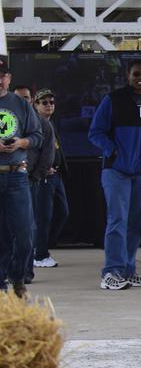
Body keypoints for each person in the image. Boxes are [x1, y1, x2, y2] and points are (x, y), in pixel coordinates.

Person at [88, 59, 141, 291]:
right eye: (136, 74)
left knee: (136, 224)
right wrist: (113, 150)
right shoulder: (113, 99)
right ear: (128, 76)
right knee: (118, 220)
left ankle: (129, 270)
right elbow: (95, 132)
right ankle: (111, 272)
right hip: (117, 171)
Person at [0, 60, 43, 297]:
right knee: (2, 236)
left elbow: (37, 136)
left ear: (9, 78)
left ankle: (18, 278)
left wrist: (21, 142)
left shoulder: (20, 104)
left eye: (2, 75)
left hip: (16, 174)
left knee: (25, 233)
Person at [30, 90, 68, 269]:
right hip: (44, 177)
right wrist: (43, 169)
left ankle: (40, 245)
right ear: (35, 105)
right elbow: (32, 150)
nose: (49, 105)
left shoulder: (50, 123)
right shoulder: (35, 124)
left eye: (51, 102)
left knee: (63, 213)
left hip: (56, 176)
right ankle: (40, 255)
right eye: (44, 102)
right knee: (43, 217)